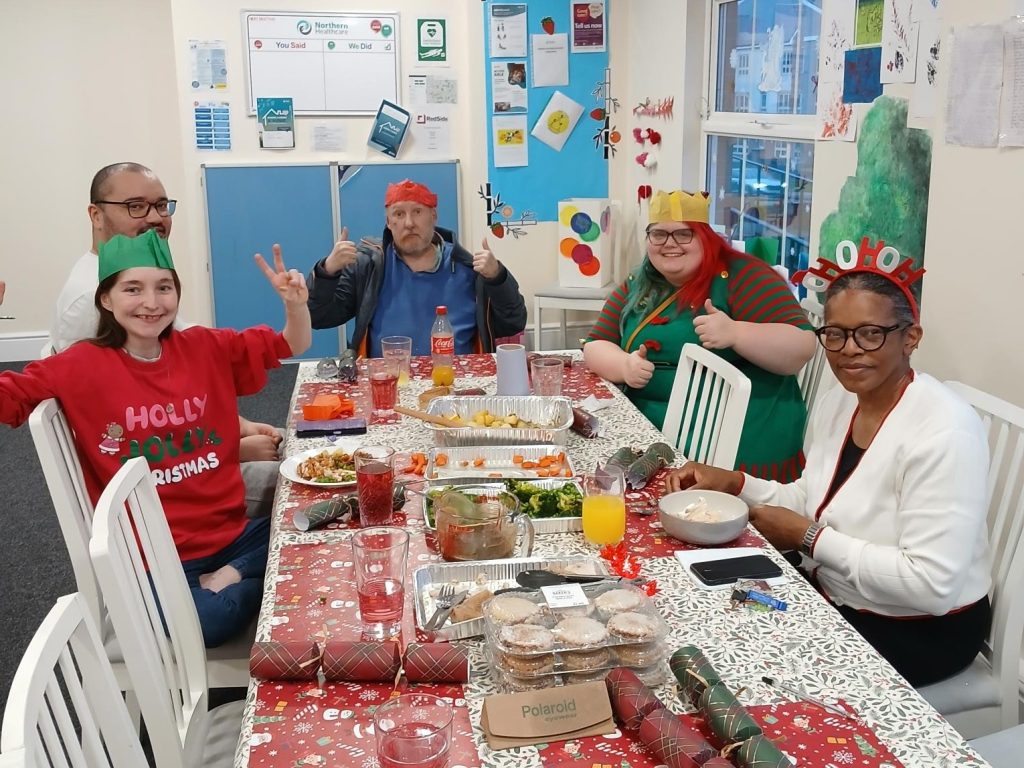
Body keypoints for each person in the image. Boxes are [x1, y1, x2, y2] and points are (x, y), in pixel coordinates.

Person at [665, 238, 991, 686]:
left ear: (910, 338)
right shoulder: (841, 401)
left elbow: (931, 586)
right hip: (834, 592)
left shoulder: (945, 431)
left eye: (871, 333)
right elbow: (813, 497)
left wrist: (810, 539)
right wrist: (736, 483)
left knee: (751, 670)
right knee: (707, 607)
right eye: (835, 333)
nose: (849, 348)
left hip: (918, 629)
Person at [0, 230, 311, 647]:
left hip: (231, 532)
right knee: (209, 620)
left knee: (320, 527)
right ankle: (253, 582)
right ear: (106, 299)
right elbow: (8, 400)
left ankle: (235, 574)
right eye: (133, 289)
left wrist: (295, 306)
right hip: (154, 558)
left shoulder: (204, 346)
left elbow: (293, 343)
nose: (151, 302)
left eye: (164, 287)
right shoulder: (79, 365)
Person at [50, 162, 282, 518]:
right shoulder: (92, 298)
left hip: (193, 447)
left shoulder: (133, 275)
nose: (156, 217)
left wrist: (239, 426)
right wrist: (234, 450)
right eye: (136, 206)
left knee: (315, 443)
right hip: (166, 486)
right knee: (308, 482)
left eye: (161, 205)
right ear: (96, 215)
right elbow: (128, 425)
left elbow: (177, 386)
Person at [584, 189, 815, 481]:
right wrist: (624, 366)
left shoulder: (744, 276)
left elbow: (802, 346)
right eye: (659, 234)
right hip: (653, 426)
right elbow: (596, 344)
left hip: (732, 434)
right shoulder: (643, 280)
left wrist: (736, 333)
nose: (670, 244)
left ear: (706, 238)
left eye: (684, 234)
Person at [306, 179, 527, 357]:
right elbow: (319, 317)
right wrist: (327, 272)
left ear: (434, 216)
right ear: (388, 222)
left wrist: (498, 278)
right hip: (386, 383)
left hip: (458, 384)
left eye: (418, 212)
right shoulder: (369, 267)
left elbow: (513, 323)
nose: (409, 223)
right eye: (399, 214)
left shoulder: (469, 268)